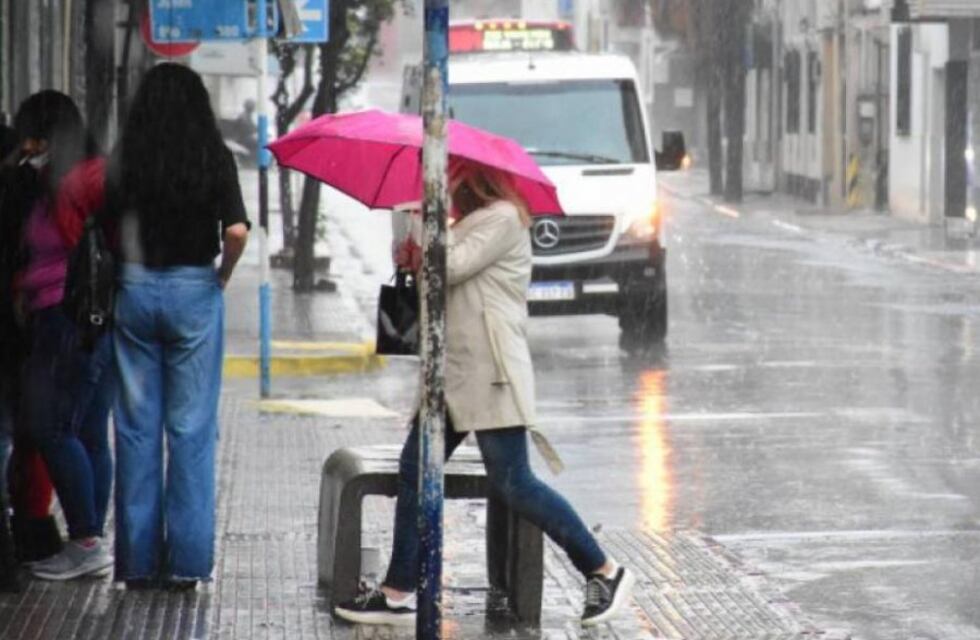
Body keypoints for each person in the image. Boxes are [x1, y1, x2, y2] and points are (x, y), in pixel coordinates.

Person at [334, 161, 635, 628]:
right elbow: (441, 279)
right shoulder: (467, 224)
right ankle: (397, 591)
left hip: (491, 372)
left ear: (474, 180)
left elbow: (451, 266)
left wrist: (424, 232)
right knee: (415, 471)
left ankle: (602, 569)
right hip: (451, 375)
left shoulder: (502, 218)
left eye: (450, 179)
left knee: (515, 483)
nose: (445, 188)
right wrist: (409, 257)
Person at [106, 63, 249, 590]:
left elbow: (106, 230)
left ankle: (138, 564)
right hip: (194, 291)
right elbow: (235, 230)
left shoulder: (125, 161)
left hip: (135, 289)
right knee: (190, 430)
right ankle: (187, 564)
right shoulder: (214, 157)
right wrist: (222, 276)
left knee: (137, 429)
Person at [10, 91, 116, 582]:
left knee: (51, 426)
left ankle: (87, 539)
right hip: (94, 320)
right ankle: (91, 540)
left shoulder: (74, 180)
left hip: (67, 318)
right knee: (90, 431)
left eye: (32, 135)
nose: (27, 145)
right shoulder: (89, 170)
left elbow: (82, 251)